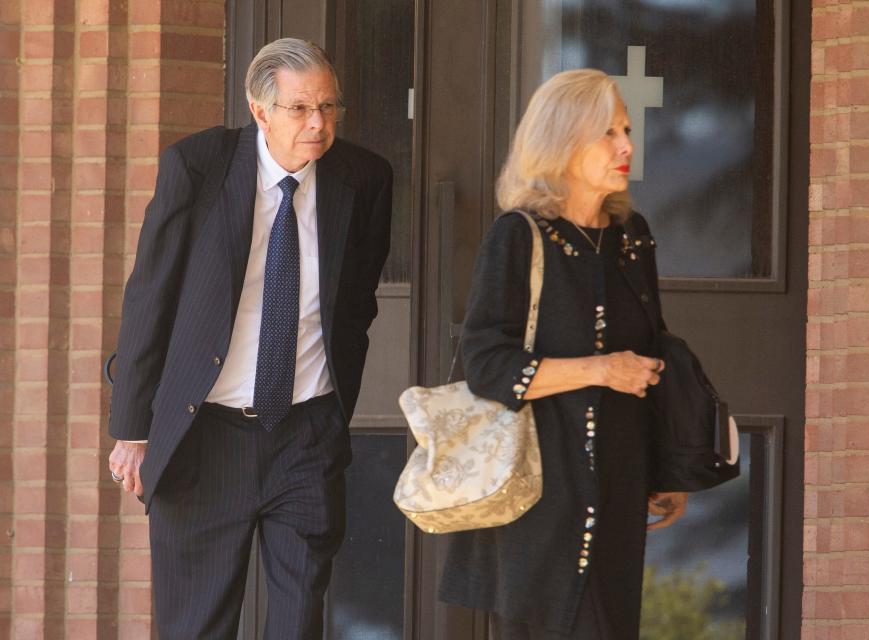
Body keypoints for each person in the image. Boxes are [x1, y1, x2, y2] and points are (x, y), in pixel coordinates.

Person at [106, 38, 392, 638]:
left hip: (305, 435)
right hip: (204, 433)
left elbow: (355, 309)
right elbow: (149, 299)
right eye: (300, 109)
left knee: (298, 620)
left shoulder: (364, 180)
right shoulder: (198, 167)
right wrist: (133, 428)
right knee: (196, 624)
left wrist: (333, 413)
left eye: (329, 107)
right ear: (260, 111)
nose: (319, 123)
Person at [438, 69, 688, 639]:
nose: (627, 145)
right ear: (561, 141)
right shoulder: (519, 236)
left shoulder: (632, 236)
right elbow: (486, 362)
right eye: (608, 132)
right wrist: (600, 370)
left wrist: (666, 465)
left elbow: (654, 351)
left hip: (620, 490)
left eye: (626, 129)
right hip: (540, 499)